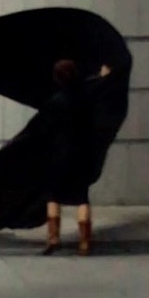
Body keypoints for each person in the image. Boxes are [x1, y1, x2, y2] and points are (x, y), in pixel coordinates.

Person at [42, 60, 112, 256]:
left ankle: (53, 238)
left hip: (59, 154)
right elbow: (97, 89)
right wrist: (104, 77)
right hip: (81, 153)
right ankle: (84, 243)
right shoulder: (86, 97)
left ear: (57, 78)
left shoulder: (54, 101)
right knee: (82, 197)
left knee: (54, 196)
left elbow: (47, 130)